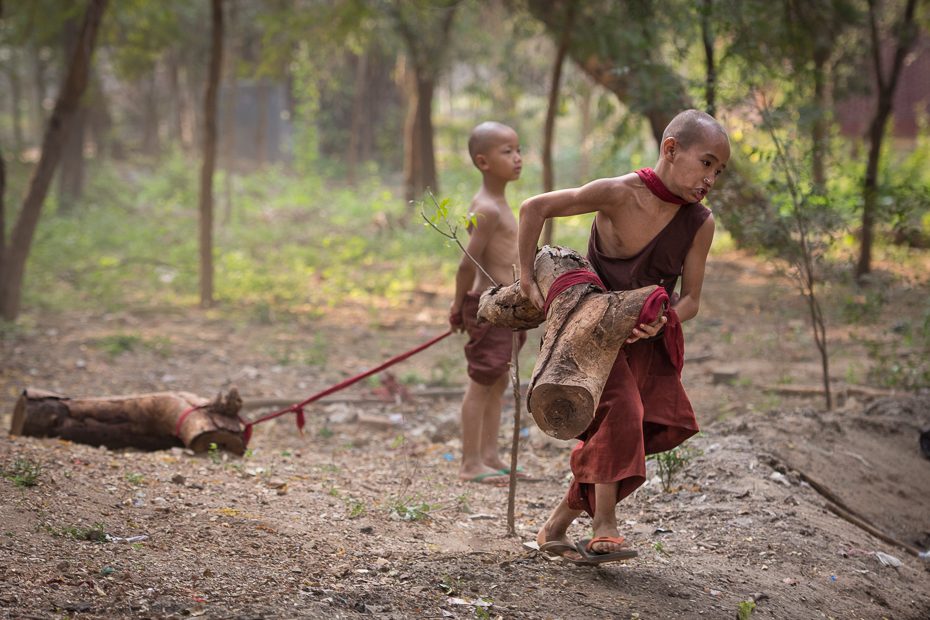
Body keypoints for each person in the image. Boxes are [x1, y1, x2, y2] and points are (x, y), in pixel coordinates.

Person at [519, 109, 730, 563]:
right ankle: (604, 526)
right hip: (591, 331)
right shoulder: (618, 193)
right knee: (624, 413)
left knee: (627, 428)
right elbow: (533, 207)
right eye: (707, 162)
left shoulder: (700, 222)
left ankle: (555, 526)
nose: (711, 178)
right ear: (670, 150)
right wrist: (524, 279)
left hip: (643, 340)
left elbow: (691, 298)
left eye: (719, 170)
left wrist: (665, 318)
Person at [449, 121, 528, 485]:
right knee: (481, 383)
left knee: (497, 383)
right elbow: (468, 263)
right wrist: (458, 305)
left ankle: (490, 455)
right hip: (489, 308)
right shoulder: (487, 208)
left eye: (517, 149)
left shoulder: (498, 202)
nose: (517, 158)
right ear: (483, 162)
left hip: (508, 310)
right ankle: (469, 463)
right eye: (507, 151)